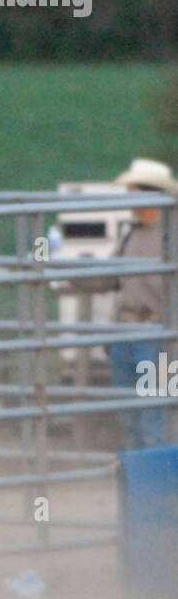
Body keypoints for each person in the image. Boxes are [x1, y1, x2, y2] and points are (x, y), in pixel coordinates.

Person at [74, 158, 178, 451]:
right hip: (128, 334)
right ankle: (142, 487)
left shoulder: (172, 231)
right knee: (131, 416)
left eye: (135, 190)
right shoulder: (131, 233)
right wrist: (73, 272)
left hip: (157, 336)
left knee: (154, 415)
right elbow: (109, 277)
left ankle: (159, 488)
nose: (130, 197)